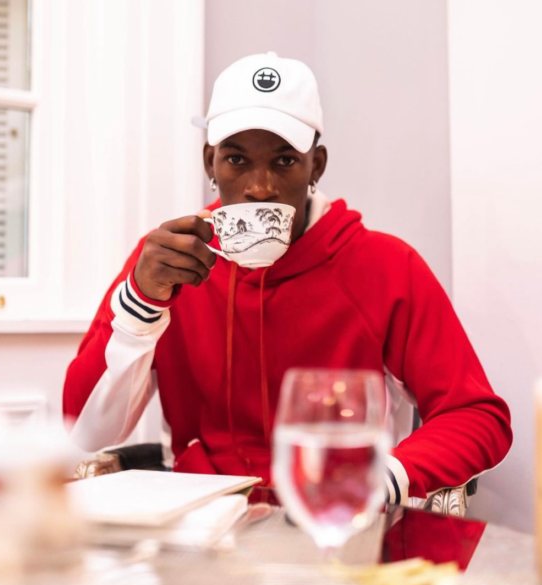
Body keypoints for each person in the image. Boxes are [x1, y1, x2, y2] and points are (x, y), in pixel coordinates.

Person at [64, 52, 512, 507]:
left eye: (283, 161)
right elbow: (83, 426)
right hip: (204, 529)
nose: (260, 187)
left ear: (316, 166)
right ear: (209, 163)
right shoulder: (167, 264)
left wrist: (381, 480)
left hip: (337, 526)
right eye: (237, 159)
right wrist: (142, 305)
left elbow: (477, 415)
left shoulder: (385, 266)